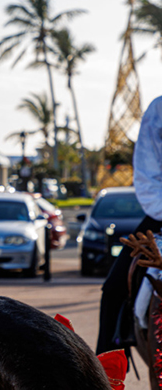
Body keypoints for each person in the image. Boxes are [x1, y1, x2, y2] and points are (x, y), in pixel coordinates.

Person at [96, 95, 162, 354]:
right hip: (161, 213)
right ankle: (107, 366)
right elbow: (148, 174)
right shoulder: (159, 109)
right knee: (114, 289)